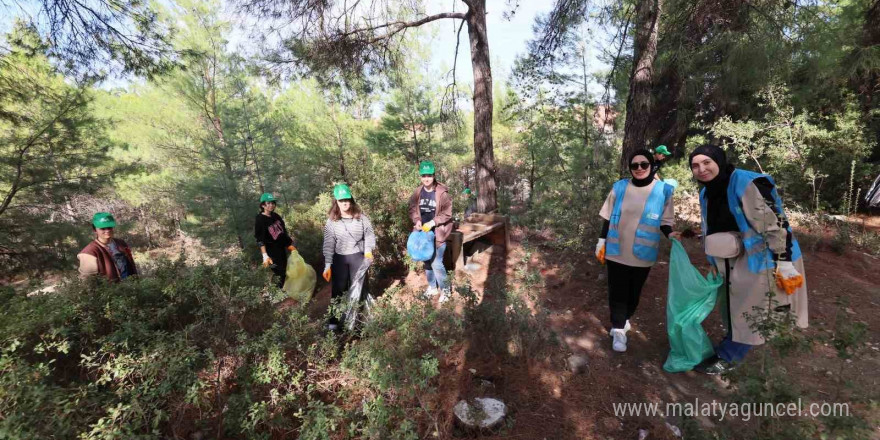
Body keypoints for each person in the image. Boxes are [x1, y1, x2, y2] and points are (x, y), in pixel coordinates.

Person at [688, 144, 808, 375]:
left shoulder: (746, 183)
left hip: (761, 258)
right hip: (729, 259)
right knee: (735, 306)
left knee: (750, 308)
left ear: (719, 162)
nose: (701, 169)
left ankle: (729, 356)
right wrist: (713, 262)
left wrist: (783, 261)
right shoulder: (706, 192)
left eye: (706, 163)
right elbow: (712, 227)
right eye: (695, 165)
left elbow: (775, 224)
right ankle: (733, 341)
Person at [596, 150, 678, 352]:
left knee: (634, 294)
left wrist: (670, 234)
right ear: (630, 168)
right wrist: (601, 240)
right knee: (617, 292)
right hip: (616, 250)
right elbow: (607, 217)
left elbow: (666, 221)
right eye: (634, 165)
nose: (639, 168)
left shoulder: (664, 190)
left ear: (651, 165)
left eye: (644, 164)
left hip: (644, 253)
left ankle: (623, 320)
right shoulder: (619, 187)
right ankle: (618, 331)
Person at [322, 184, 376, 331]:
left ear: (351, 200)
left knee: (360, 287)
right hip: (340, 259)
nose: (344, 203)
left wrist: (368, 251)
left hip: (358, 257)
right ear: (336, 202)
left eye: (347, 199)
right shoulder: (331, 222)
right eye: (341, 200)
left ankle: (359, 320)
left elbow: (369, 235)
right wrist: (327, 265)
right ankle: (334, 320)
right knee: (338, 289)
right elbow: (328, 244)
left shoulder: (361, 218)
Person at [409, 160, 453, 302]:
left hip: (438, 233)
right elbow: (412, 209)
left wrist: (433, 222)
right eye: (423, 175)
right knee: (426, 260)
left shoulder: (442, 193)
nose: (426, 178)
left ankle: (446, 291)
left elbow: (447, 213)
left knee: (436, 262)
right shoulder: (417, 192)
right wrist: (417, 221)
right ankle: (432, 288)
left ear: (434, 175)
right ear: (420, 177)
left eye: (429, 175)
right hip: (423, 234)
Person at [77, 212, 138, 282]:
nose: (107, 230)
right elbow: (87, 281)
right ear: (94, 230)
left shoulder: (121, 243)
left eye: (109, 227)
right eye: (103, 228)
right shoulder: (89, 252)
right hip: (110, 291)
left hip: (131, 287)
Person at [254, 193, 295, 288]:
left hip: (281, 248)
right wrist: (265, 255)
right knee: (279, 273)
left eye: (273, 203)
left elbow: (282, 232)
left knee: (285, 269)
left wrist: (289, 244)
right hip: (271, 251)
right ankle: (281, 293)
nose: (271, 205)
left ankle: (289, 289)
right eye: (268, 203)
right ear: (263, 205)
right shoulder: (260, 220)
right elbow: (260, 239)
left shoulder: (275, 216)